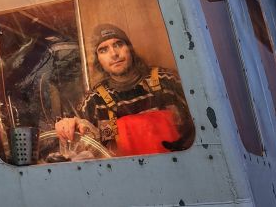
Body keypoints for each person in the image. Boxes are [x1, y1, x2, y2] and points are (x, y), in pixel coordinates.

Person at [55, 24, 194, 157]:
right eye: (103, 50)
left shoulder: (167, 81)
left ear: (130, 49)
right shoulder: (95, 100)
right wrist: (69, 125)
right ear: (98, 60)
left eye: (118, 44)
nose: (114, 54)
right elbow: (80, 144)